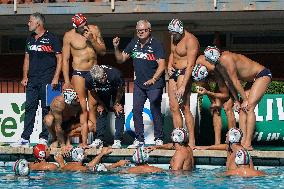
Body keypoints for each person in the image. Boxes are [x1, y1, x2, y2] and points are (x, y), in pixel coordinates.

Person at [205, 47, 272, 150]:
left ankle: (248, 144)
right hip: (251, 80)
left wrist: (245, 100)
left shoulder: (226, 58)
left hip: (261, 75)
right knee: (241, 110)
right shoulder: (218, 65)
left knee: (249, 107)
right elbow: (229, 83)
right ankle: (242, 141)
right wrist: (237, 100)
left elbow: (235, 81)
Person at [113, 20, 166, 148]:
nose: (141, 32)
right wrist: (115, 47)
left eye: (143, 30)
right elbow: (120, 59)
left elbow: (162, 65)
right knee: (136, 110)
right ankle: (139, 139)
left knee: (155, 109)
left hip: (154, 83)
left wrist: (154, 79)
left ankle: (158, 138)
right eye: (138, 31)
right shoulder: (133, 44)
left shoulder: (156, 44)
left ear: (149, 30)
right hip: (139, 84)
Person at [12, 12, 62, 147]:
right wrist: (24, 76)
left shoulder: (52, 38)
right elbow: (27, 58)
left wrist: (56, 77)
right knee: (29, 108)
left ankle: (44, 138)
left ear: (38, 23)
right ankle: (25, 139)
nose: (28, 23)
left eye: (30, 21)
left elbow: (60, 58)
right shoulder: (29, 38)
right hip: (32, 81)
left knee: (47, 110)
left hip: (48, 80)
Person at [62, 13, 106, 148]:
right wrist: (67, 81)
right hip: (78, 73)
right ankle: (83, 142)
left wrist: (92, 40)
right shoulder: (69, 36)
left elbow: (103, 51)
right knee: (82, 107)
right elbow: (65, 60)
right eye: (81, 27)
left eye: (85, 24)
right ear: (75, 27)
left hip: (93, 72)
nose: (84, 28)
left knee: (93, 105)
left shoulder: (94, 29)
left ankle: (96, 138)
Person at [194, 51, 239, 144]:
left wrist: (208, 92)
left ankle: (233, 140)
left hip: (228, 78)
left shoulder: (218, 73)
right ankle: (217, 142)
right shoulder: (198, 63)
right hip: (214, 73)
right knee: (215, 109)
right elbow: (206, 88)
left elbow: (225, 95)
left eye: (204, 81)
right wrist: (214, 102)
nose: (204, 83)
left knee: (228, 106)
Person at [167, 18, 200, 147]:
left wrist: (183, 86)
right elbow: (172, 53)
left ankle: (191, 140)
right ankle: (178, 139)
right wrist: (169, 65)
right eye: (171, 33)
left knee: (184, 107)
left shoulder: (191, 40)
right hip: (173, 72)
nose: (172, 36)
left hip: (184, 72)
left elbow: (191, 65)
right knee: (174, 107)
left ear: (180, 31)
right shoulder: (173, 37)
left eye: (174, 34)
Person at [88, 65, 125, 149]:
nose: (103, 80)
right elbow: (92, 92)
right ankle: (99, 139)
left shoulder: (115, 74)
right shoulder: (89, 78)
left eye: (103, 77)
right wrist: (100, 103)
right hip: (102, 90)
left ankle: (117, 140)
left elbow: (121, 89)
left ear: (104, 73)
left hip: (116, 89)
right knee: (101, 110)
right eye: (100, 79)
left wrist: (117, 102)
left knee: (119, 110)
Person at [54, 146, 129, 172]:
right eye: (84, 153)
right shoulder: (83, 169)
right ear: (81, 156)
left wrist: (102, 154)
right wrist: (118, 164)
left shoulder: (65, 166)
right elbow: (105, 168)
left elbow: (90, 165)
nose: (86, 154)